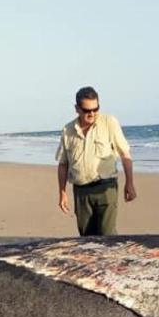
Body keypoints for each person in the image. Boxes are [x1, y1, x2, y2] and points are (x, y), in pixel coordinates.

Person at [56, 86, 137, 236]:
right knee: (87, 238)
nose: (92, 114)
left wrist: (130, 183)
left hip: (106, 188)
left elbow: (125, 154)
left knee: (108, 236)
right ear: (77, 109)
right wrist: (62, 193)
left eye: (96, 109)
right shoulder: (68, 130)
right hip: (81, 192)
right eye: (87, 110)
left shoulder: (109, 122)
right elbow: (63, 164)